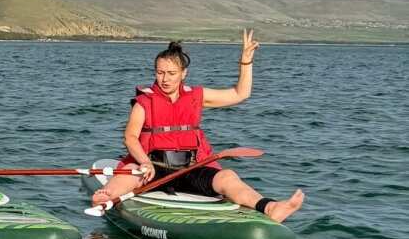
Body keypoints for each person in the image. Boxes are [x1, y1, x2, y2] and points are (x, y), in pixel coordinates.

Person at [90, 32, 304, 223]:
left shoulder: (196, 96)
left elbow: (240, 94)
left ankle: (271, 207)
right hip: (152, 168)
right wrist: (145, 162)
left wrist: (245, 62)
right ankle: (105, 198)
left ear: (184, 73)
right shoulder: (144, 102)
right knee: (130, 172)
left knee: (227, 177)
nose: (164, 79)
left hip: (189, 169)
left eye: (171, 73)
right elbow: (130, 138)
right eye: (160, 72)